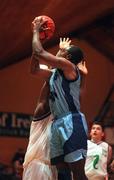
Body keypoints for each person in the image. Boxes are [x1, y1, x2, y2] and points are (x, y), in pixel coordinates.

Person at [30, 16, 88, 180]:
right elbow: (34, 69)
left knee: (78, 172)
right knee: (62, 172)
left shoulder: (70, 68)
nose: (62, 49)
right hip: (57, 124)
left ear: (68, 58)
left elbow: (40, 53)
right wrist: (40, 40)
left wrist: (36, 32)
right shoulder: (54, 73)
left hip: (72, 121)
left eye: (65, 50)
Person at [22, 81, 58, 180]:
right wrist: (48, 78)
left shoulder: (60, 118)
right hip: (37, 165)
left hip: (51, 167)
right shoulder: (40, 114)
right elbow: (42, 100)